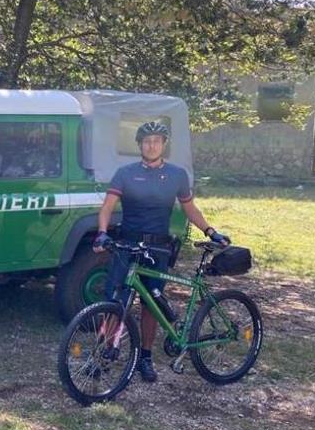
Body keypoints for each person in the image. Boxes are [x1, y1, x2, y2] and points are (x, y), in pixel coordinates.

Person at [93, 121, 230, 383]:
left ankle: (145, 357)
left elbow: (190, 209)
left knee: (151, 305)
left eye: (156, 141)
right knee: (114, 302)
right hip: (127, 245)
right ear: (139, 145)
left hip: (158, 248)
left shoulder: (177, 175)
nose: (151, 145)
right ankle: (104, 353)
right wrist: (102, 232)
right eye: (146, 141)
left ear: (163, 145)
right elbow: (107, 206)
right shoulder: (125, 173)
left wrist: (210, 232)